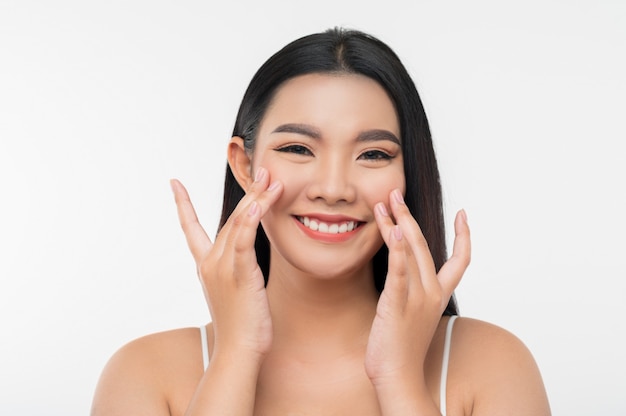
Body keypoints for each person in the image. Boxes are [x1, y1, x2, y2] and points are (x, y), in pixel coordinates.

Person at [91, 28, 551, 415]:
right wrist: (236, 354)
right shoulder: (144, 374)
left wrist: (398, 379)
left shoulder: (491, 363)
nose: (333, 188)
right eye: (298, 149)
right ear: (244, 165)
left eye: (373, 154)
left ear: (409, 174)